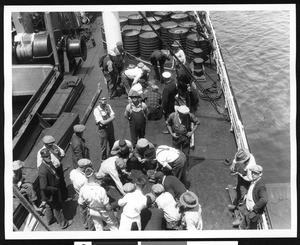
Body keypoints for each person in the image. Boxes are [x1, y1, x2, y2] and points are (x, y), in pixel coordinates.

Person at [38, 148, 72, 229]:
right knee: (58, 208)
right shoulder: (42, 170)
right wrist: (54, 189)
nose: (48, 157)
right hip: (51, 193)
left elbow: (53, 172)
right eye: (46, 156)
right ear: (42, 157)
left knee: (49, 206)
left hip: (48, 194)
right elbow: (43, 186)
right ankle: (63, 224)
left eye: (49, 155)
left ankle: (49, 221)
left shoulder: (48, 164)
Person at [78, 166, 119, 231]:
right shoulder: (100, 189)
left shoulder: (82, 189)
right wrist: (116, 205)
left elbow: (81, 204)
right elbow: (108, 207)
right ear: (93, 174)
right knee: (114, 226)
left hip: (92, 211)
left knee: (98, 227)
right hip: (103, 212)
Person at [37, 135, 70, 202]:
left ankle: (65, 197)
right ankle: (58, 200)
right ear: (45, 144)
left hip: (59, 167)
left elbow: (63, 154)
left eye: (52, 143)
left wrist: (58, 152)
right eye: (49, 144)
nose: (51, 145)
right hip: (52, 170)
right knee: (55, 185)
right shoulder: (41, 152)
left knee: (62, 182)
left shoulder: (54, 146)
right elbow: (39, 165)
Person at [236, 165, 268, 229]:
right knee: (243, 224)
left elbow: (264, 199)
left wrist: (254, 208)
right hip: (247, 210)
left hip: (252, 213)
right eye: (252, 172)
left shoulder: (261, 185)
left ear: (260, 174)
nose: (253, 174)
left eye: (256, 173)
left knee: (251, 228)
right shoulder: (254, 181)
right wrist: (247, 195)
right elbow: (253, 191)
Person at [229, 148, 257, 220]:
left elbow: (249, 178)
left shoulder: (251, 166)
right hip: (242, 174)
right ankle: (237, 201)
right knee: (238, 188)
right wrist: (233, 163)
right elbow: (236, 157)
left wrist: (238, 173)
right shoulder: (243, 154)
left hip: (246, 179)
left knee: (242, 193)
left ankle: (239, 207)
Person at [69, 158, 95, 230]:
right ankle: (91, 228)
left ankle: (85, 224)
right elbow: (88, 191)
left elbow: (71, 181)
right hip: (86, 197)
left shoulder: (73, 172)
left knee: (82, 211)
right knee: (90, 213)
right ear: (85, 167)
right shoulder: (84, 179)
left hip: (79, 195)